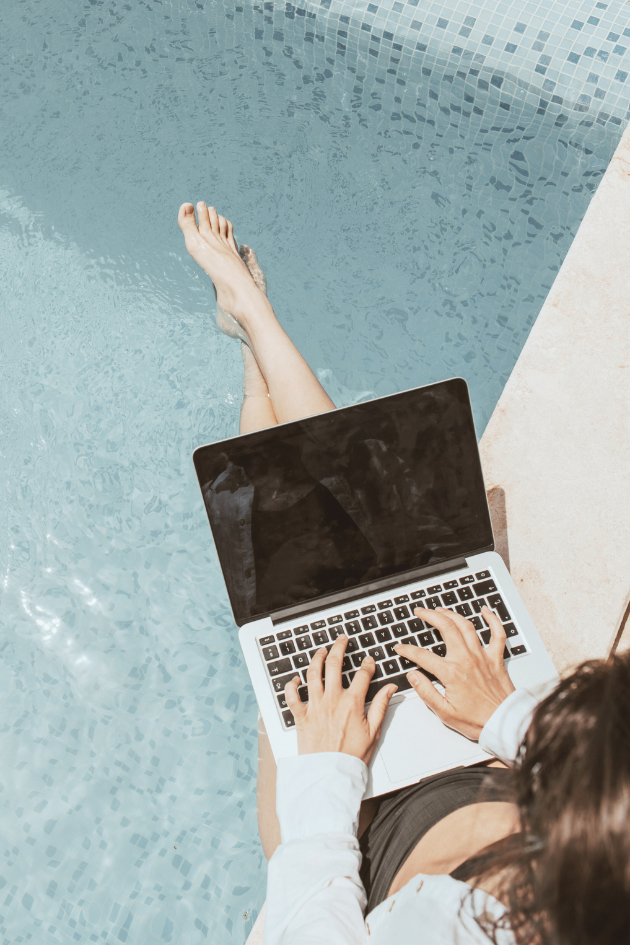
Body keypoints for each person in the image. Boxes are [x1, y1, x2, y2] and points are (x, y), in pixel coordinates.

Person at [178, 202, 630, 945]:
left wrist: (326, 772)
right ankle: (254, 322)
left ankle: (255, 338)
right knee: (398, 554)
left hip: (363, 839)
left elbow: (308, 920)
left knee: (300, 591)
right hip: (493, 768)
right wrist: (507, 715)